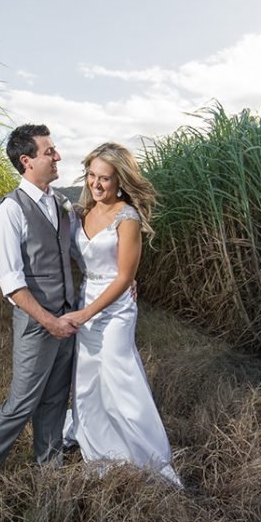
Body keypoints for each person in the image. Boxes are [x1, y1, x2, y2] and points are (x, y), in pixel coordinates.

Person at [0, 124, 79, 502]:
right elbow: (11, 282)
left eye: (54, 150)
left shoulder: (60, 202)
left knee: (57, 398)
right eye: (49, 152)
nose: (57, 157)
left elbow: (75, 252)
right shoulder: (10, 211)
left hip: (66, 319)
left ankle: (48, 469)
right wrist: (49, 321)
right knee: (21, 403)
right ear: (26, 161)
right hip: (38, 323)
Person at [63, 142, 181, 486]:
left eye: (105, 179)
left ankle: (145, 454)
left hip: (113, 308)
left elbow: (125, 277)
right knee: (86, 378)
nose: (96, 185)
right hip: (87, 295)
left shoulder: (127, 218)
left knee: (119, 375)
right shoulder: (80, 213)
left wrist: (85, 314)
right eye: (91, 175)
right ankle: (99, 444)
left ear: (120, 181)